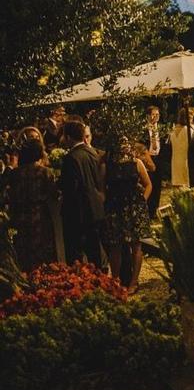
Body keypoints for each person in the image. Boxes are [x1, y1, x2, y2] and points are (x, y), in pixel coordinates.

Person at [0, 128, 59, 271]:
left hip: (20, 216)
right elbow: (53, 194)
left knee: (24, 254)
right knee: (43, 254)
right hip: (40, 216)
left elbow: (7, 193)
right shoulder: (45, 172)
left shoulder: (15, 174)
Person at [102, 138, 152, 289]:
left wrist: (142, 200)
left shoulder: (136, 163)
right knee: (115, 245)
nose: (123, 146)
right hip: (115, 207)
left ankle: (133, 281)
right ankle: (116, 280)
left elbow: (148, 184)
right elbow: (102, 187)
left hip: (134, 207)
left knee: (136, 244)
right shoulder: (108, 165)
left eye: (126, 143)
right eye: (120, 143)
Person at [59, 119, 105, 265]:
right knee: (95, 251)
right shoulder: (92, 153)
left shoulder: (71, 158)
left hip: (78, 211)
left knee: (75, 253)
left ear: (68, 137)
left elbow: (70, 187)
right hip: (95, 207)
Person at [142, 106, 165, 217]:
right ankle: (148, 210)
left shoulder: (160, 128)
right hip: (148, 157)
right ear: (148, 115)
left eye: (157, 114)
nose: (155, 117)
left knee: (158, 184)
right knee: (149, 183)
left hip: (159, 157)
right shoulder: (143, 128)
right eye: (153, 114)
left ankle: (154, 209)